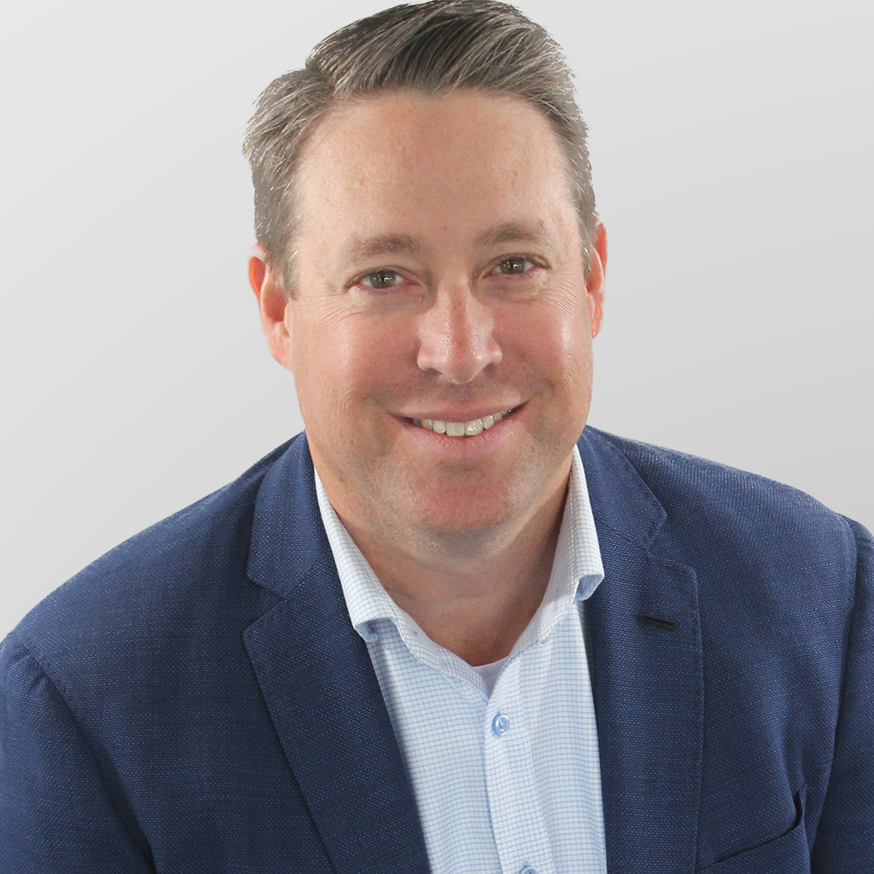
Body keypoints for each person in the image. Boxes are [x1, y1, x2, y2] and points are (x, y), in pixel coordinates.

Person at [1, 1, 870, 871]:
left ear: (593, 281)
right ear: (278, 310)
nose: (461, 354)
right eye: (384, 277)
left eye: (514, 266)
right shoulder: (83, 706)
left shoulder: (822, 602)